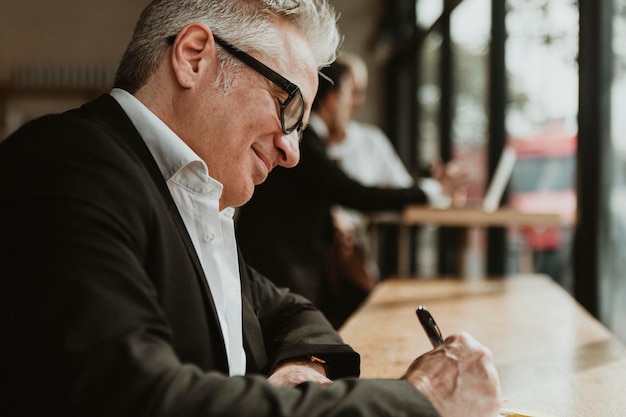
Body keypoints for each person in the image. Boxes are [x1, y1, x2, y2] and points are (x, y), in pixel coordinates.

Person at [0, 1, 501, 416]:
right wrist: (420, 399)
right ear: (194, 57)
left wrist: (301, 367)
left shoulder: (186, 194)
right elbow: (138, 398)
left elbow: (289, 309)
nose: (292, 151)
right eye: (288, 107)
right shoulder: (65, 165)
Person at [236, 60, 465, 326]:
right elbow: (356, 194)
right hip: (278, 271)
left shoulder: (309, 143)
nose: (353, 107)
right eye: (349, 95)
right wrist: (431, 190)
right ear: (333, 99)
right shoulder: (306, 144)